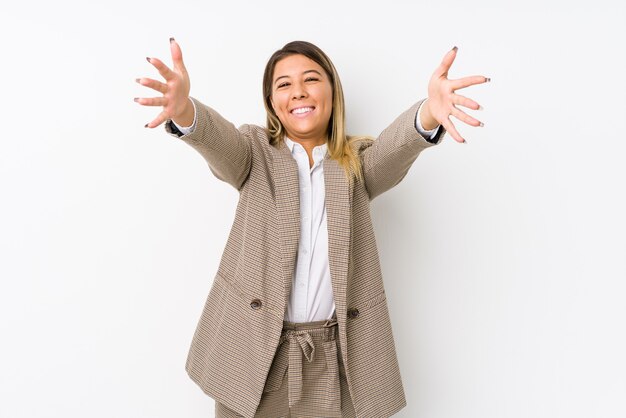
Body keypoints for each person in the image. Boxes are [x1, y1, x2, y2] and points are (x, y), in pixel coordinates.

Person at [135, 38, 488, 418]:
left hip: (337, 359)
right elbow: (217, 141)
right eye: (283, 84)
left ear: (333, 93)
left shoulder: (357, 165)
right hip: (254, 353)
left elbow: (395, 147)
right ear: (272, 102)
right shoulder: (253, 154)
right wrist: (186, 110)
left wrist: (429, 114)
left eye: (311, 79)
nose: (298, 91)